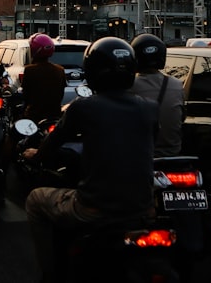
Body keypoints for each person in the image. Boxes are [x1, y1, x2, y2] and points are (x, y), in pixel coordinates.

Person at [24, 37, 158, 282]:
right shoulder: (149, 108)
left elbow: (53, 144)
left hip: (93, 208)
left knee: (35, 200)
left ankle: (50, 274)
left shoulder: (82, 108)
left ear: (92, 71)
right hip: (141, 208)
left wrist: (35, 155)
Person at [129, 33, 184, 156]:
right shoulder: (177, 85)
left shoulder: (128, 86)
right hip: (173, 152)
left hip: (140, 154)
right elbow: (181, 117)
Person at [19, 33, 66, 123]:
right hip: (55, 115)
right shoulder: (60, 70)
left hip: (34, 116)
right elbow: (60, 94)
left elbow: (26, 96)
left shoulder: (29, 70)